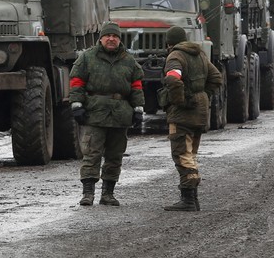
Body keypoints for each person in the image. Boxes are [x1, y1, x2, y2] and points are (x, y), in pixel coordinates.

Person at [68, 21, 145, 207]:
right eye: (108, 36)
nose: (111, 39)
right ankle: (88, 194)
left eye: (115, 36)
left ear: (119, 39)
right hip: (95, 113)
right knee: (91, 154)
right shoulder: (87, 58)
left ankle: (108, 194)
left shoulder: (129, 61)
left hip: (120, 115)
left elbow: (136, 86)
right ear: (101, 38)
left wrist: (138, 109)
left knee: (115, 156)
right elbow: (77, 82)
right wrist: (77, 105)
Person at [161, 25, 223, 212]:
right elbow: (216, 78)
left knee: (181, 154)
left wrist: (178, 100)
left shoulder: (175, 56)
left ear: (169, 43)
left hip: (183, 113)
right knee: (190, 154)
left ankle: (188, 198)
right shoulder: (200, 54)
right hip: (200, 110)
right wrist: (203, 95)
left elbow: (173, 78)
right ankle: (192, 199)